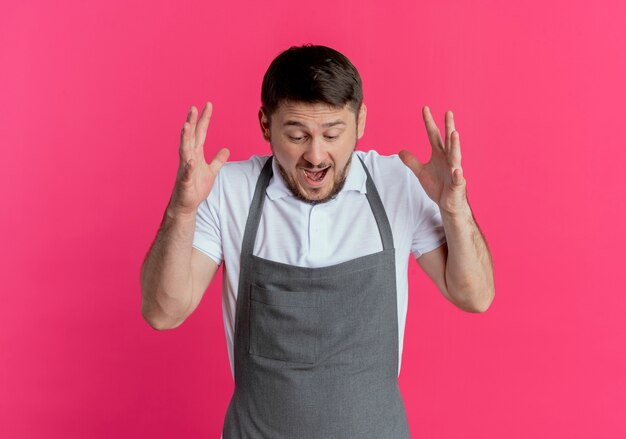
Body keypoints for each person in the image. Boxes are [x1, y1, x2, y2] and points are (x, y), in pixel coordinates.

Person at [141, 44, 495, 438]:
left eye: (332, 133)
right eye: (297, 134)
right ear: (265, 124)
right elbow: (163, 312)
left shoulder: (397, 183)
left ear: (360, 122)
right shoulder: (227, 190)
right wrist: (182, 210)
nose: (315, 154)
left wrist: (455, 209)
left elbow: (475, 296)